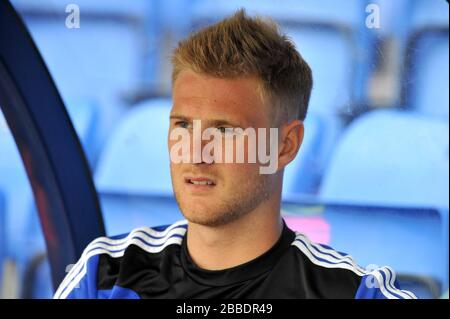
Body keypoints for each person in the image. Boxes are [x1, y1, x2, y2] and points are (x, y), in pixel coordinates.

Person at [54, 10, 416, 299]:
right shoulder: (104, 275)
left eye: (224, 131)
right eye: (182, 125)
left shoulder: (352, 293)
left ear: (285, 145)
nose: (194, 152)